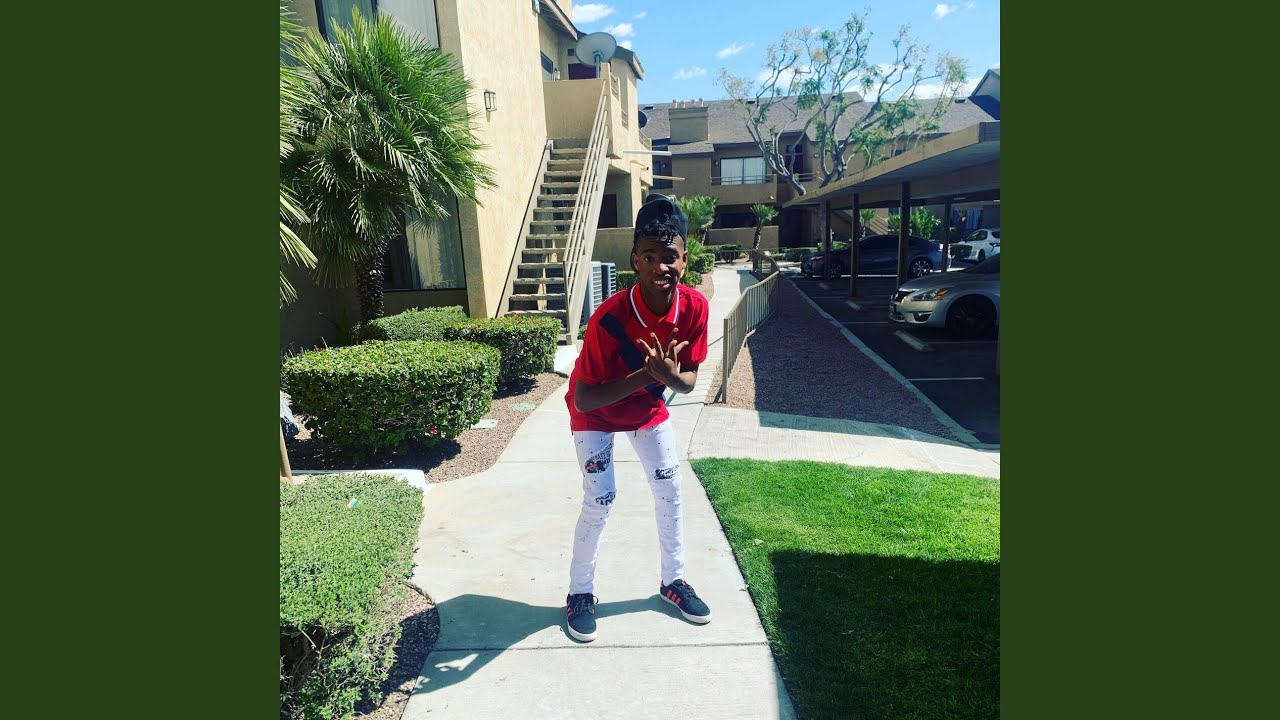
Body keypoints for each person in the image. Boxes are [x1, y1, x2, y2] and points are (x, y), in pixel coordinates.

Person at [562, 195, 712, 642]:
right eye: (649, 257)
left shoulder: (694, 308)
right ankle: (580, 593)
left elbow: (687, 381)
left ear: (684, 259)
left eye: (669, 257)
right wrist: (647, 375)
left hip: (646, 408)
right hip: (596, 413)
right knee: (601, 499)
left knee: (670, 489)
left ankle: (673, 581)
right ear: (634, 261)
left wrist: (669, 377)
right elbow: (585, 399)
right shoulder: (608, 318)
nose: (660, 267)